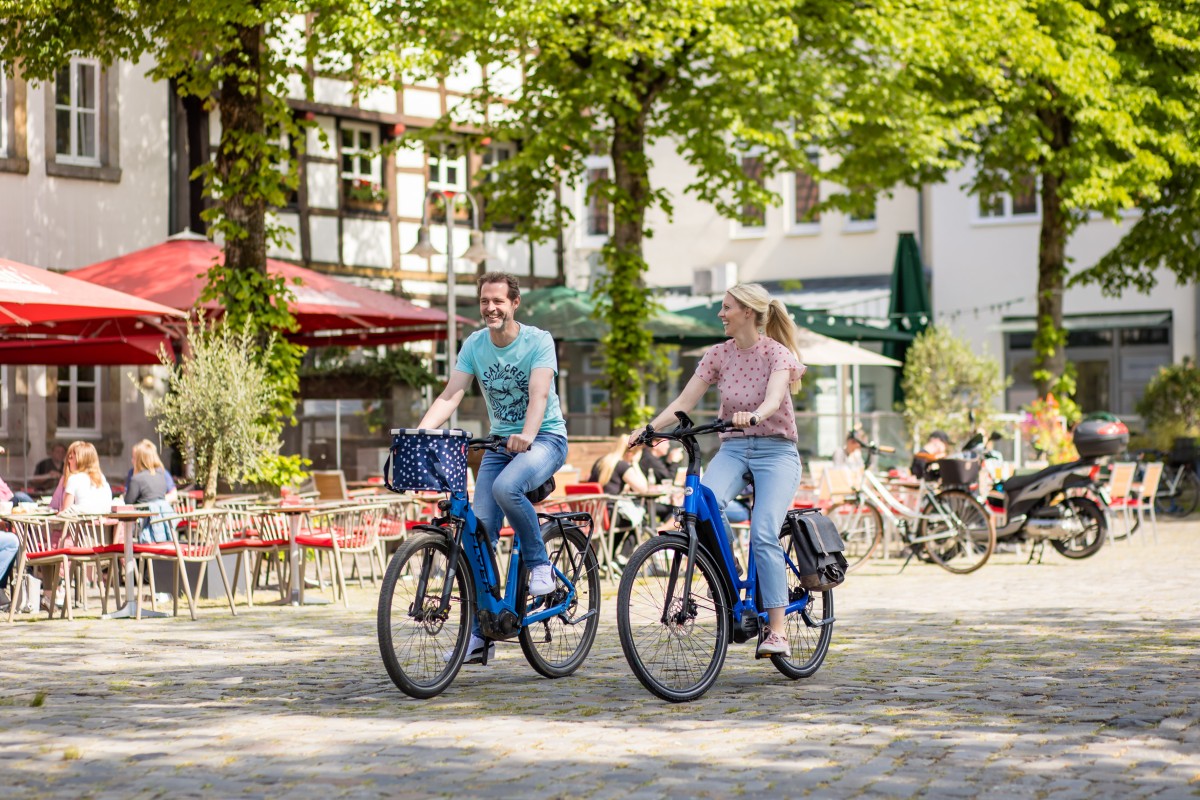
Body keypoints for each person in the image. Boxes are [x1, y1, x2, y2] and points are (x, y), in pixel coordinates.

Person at [632, 282, 805, 659]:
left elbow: (776, 397)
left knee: (763, 531)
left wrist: (757, 414)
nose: (721, 314)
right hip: (734, 446)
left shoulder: (776, 354)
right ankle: (730, 567)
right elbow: (684, 401)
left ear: (748, 312)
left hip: (776, 451)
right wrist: (649, 430)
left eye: (726, 308)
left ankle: (776, 631)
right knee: (705, 503)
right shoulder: (719, 354)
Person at [417, 271, 569, 664]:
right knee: (476, 530)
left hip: (546, 439)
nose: (490, 308)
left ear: (515, 303)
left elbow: (539, 396)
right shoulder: (474, 345)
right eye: (485, 301)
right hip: (499, 445)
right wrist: (420, 432)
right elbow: (452, 394)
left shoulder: (538, 341)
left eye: (498, 301)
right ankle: (483, 628)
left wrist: (528, 435)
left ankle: (539, 565)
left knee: (506, 489)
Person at [124, 440, 175, 543]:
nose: (132, 460)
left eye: (134, 458)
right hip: (162, 525)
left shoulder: (137, 479)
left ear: (139, 459)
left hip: (146, 529)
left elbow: (128, 502)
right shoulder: (161, 475)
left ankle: (123, 555)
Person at [61, 442, 113, 515]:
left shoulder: (74, 479)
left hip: (83, 525)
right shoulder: (101, 478)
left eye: (71, 457)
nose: (68, 461)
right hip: (103, 524)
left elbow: (65, 513)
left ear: (81, 460)